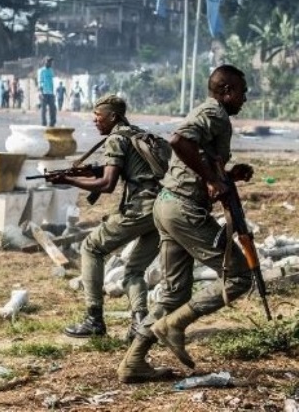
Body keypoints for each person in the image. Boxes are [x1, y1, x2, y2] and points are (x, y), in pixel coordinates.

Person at [117, 64, 253, 383]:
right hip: (183, 209)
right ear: (227, 91)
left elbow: (196, 159)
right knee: (239, 276)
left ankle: (133, 362)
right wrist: (211, 179)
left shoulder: (212, 114)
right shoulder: (215, 113)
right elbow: (179, 141)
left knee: (174, 294)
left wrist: (226, 177)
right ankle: (174, 325)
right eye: (242, 93)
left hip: (168, 204)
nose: (244, 99)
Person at [48, 94, 161, 342]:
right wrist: (91, 170)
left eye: (98, 117)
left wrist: (67, 180)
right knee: (134, 269)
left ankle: (94, 319)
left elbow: (107, 184)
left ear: (113, 116)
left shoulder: (116, 138)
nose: (95, 121)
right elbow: (129, 168)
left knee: (91, 248)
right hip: (162, 210)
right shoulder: (135, 133)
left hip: (141, 208)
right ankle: (140, 325)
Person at [37, 56, 56, 126]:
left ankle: (52, 123)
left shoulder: (51, 70)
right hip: (43, 93)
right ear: (45, 62)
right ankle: (43, 123)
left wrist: (53, 93)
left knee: (53, 108)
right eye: (48, 61)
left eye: (51, 62)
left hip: (50, 93)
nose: (50, 63)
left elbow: (51, 82)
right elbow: (40, 81)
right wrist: (40, 93)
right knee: (44, 109)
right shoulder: (41, 71)